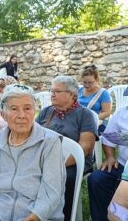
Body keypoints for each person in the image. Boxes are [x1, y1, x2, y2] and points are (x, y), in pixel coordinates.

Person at [0, 84, 66, 221]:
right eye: (14, 109)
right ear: (3, 115)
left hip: (37, 217)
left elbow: (51, 193)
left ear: (34, 111)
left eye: (27, 108)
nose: (22, 115)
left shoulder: (49, 142)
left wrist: (31, 218)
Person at [35, 75, 97, 221]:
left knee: (64, 178)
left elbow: (85, 147)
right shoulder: (46, 112)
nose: (52, 94)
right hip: (46, 158)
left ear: (72, 94)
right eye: (51, 91)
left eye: (56, 91)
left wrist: (56, 165)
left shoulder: (84, 115)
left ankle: (65, 216)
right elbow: (34, 137)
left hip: (73, 162)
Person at [88, 103, 128, 221]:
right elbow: (109, 137)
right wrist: (110, 156)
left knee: (119, 209)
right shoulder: (121, 112)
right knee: (97, 179)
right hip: (122, 164)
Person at [78, 65, 112, 134]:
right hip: (78, 122)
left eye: (90, 82)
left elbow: (107, 112)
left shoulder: (103, 93)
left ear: (96, 80)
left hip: (95, 124)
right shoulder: (79, 90)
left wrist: (90, 119)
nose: (87, 85)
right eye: (84, 82)